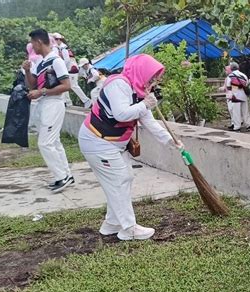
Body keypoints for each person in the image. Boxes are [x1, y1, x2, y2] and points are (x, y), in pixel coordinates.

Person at [77, 54, 183, 241]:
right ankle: (128, 228)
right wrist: (144, 104)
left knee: (123, 179)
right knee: (119, 180)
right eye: (152, 78)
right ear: (142, 73)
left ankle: (111, 224)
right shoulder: (119, 85)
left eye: (155, 79)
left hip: (113, 144)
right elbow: (121, 114)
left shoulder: (138, 91)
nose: (153, 83)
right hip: (98, 141)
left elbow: (148, 121)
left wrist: (171, 141)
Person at [22, 28, 74, 193]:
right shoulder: (41, 62)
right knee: (54, 142)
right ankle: (66, 174)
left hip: (54, 104)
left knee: (45, 143)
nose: (32, 48)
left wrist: (42, 92)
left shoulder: (55, 61)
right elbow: (33, 85)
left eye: (32, 43)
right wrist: (28, 70)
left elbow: (67, 86)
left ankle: (61, 177)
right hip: (45, 104)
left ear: (38, 42)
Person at [52, 32, 91, 108]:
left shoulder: (64, 48)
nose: (55, 41)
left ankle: (86, 100)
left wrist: (62, 69)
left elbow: (67, 60)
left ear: (59, 39)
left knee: (73, 86)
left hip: (71, 69)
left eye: (56, 39)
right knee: (65, 85)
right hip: (68, 69)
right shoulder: (60, 48)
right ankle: (67, 102)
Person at [226, 62, 250, 132]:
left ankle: (237, 127)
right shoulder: (243, 75)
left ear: (231, 68)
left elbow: (229, 86)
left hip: (235, 95)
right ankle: (248, 125)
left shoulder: (230, 76)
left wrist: (232, 93)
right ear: (238, 68)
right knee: (245, 111)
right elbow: (246, 84)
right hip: (243, 95)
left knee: (236, 112)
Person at [219, 65, 235, 130]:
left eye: (226, 70)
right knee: (230, 110)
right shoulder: (226, 78)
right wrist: (221, 88)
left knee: (233, 109)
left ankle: (235, 123)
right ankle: (233, 123)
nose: (225, 71)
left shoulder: (233, 77)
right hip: (228, 95)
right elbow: (225, 87)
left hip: (233, 95)